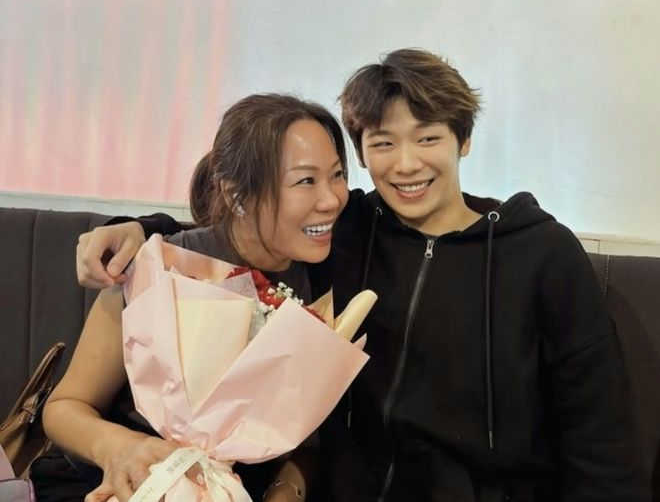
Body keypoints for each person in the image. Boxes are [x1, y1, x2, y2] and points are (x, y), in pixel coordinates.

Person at [75, 49, 649, 501]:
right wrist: (138, 228)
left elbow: (601, 440)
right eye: (383, 143)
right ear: (363, 152)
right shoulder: (345, 230)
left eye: (428, 137)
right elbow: (245, 227)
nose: (406, 163)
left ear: (464, 139)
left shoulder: (541, 254)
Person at [31, 94, 350, 502]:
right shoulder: (159, 270)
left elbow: (308, 441)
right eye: (306, 181)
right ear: (236, 195)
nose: (332, 199)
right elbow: (64, 407)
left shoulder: (324, 280)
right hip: (119, 482)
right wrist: (121, 447)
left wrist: (287, 489)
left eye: (337, 175)